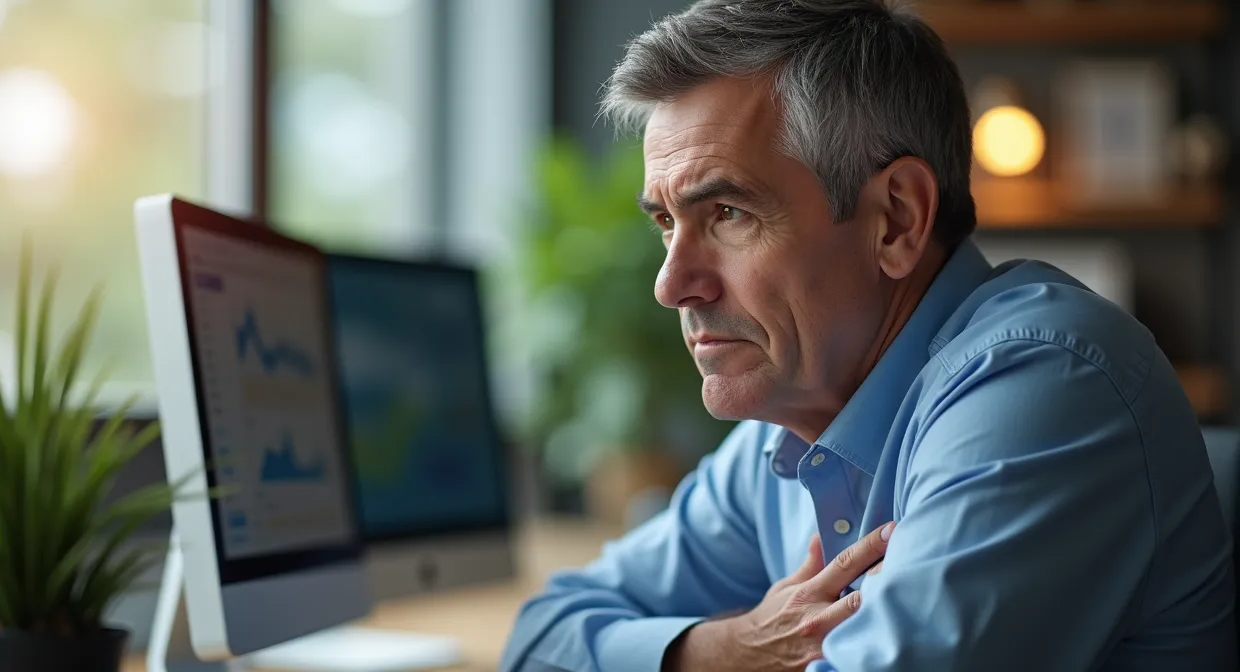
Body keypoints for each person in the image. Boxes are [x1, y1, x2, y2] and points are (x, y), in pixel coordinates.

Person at [499, 1, 1236, 670]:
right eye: (666, 222)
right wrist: (723, 650)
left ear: (898, 220)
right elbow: (542, 636)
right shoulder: (786, 434)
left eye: (728, 213)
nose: (672, 283)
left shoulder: (1045, 385)